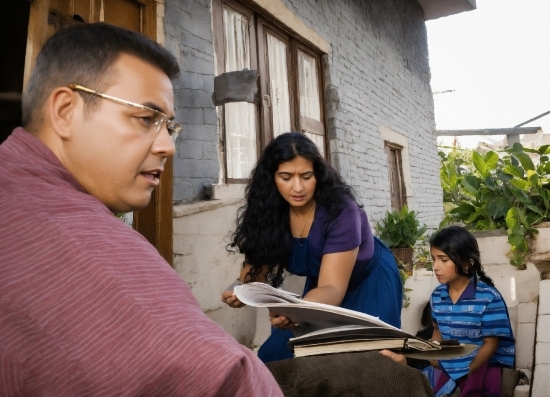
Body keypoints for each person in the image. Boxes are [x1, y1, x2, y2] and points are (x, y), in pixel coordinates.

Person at [0, 23, 282, 396]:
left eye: (169, 126)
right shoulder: (85, 249)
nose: (167, 146)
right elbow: (227, 383)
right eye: (146, 119)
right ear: (65, 110)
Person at [222, 132, 403, 363]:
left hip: (368, 284)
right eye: (286, 177)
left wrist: (294, 313)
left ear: (318, 174)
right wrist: (240, 288)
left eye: (306, 176)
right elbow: (256, 268)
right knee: (276, 356)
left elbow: (332, 288)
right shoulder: (268, 211)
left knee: (369, 362)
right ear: (271, 178)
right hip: (321, 289)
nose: (298, 188)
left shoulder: (341, 212)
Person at [427, 226, 515, 396]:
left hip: (482, 369)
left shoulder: (488, 297)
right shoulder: (437, 296)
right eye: (433, 259)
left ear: (467, 262)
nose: (436, 267)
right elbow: (437, 329)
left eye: (443, 260)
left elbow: (491, 343)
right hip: (449, 367)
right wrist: (432, 353)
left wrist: (467, 369)